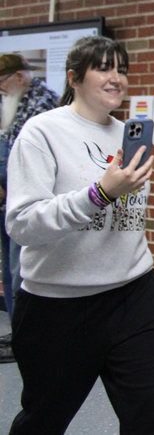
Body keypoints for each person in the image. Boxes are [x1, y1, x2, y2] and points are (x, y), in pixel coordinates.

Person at [5, 36, 154, 435]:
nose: (117, 79)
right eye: (104, 68)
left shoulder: (127, 134)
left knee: (146, 416)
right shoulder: (42, 132)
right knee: (44, 418)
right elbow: (23, 224)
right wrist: (100, 193)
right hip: (61, 305)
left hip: (134, 293)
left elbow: (127, 218)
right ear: (74, 77)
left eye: (122, 69)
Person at [0, 53, 60, 364]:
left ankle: (26, 335)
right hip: (6, 200)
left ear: (20, 78)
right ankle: (17, 330)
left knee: (18, 270)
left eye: (2, 83)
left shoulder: (43, 104)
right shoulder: (13, 101)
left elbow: (33, 163)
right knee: (7, 272)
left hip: (25, 201)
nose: (1, 90)